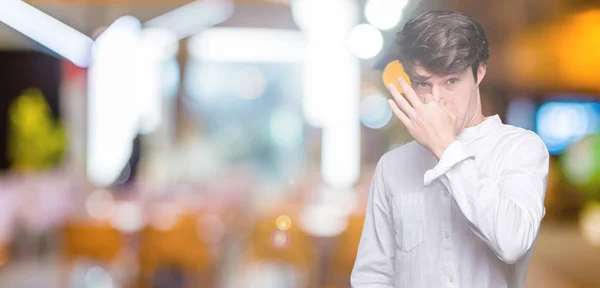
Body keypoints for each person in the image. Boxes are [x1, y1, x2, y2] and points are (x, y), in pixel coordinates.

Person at [350, 10, 549, 288]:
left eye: (451, 81)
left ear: (479, 72)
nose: (437, 99)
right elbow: (373, 275)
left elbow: (513, 243)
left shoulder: (521, 149)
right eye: (423, 83)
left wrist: (446, 148)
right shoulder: (392, 166)